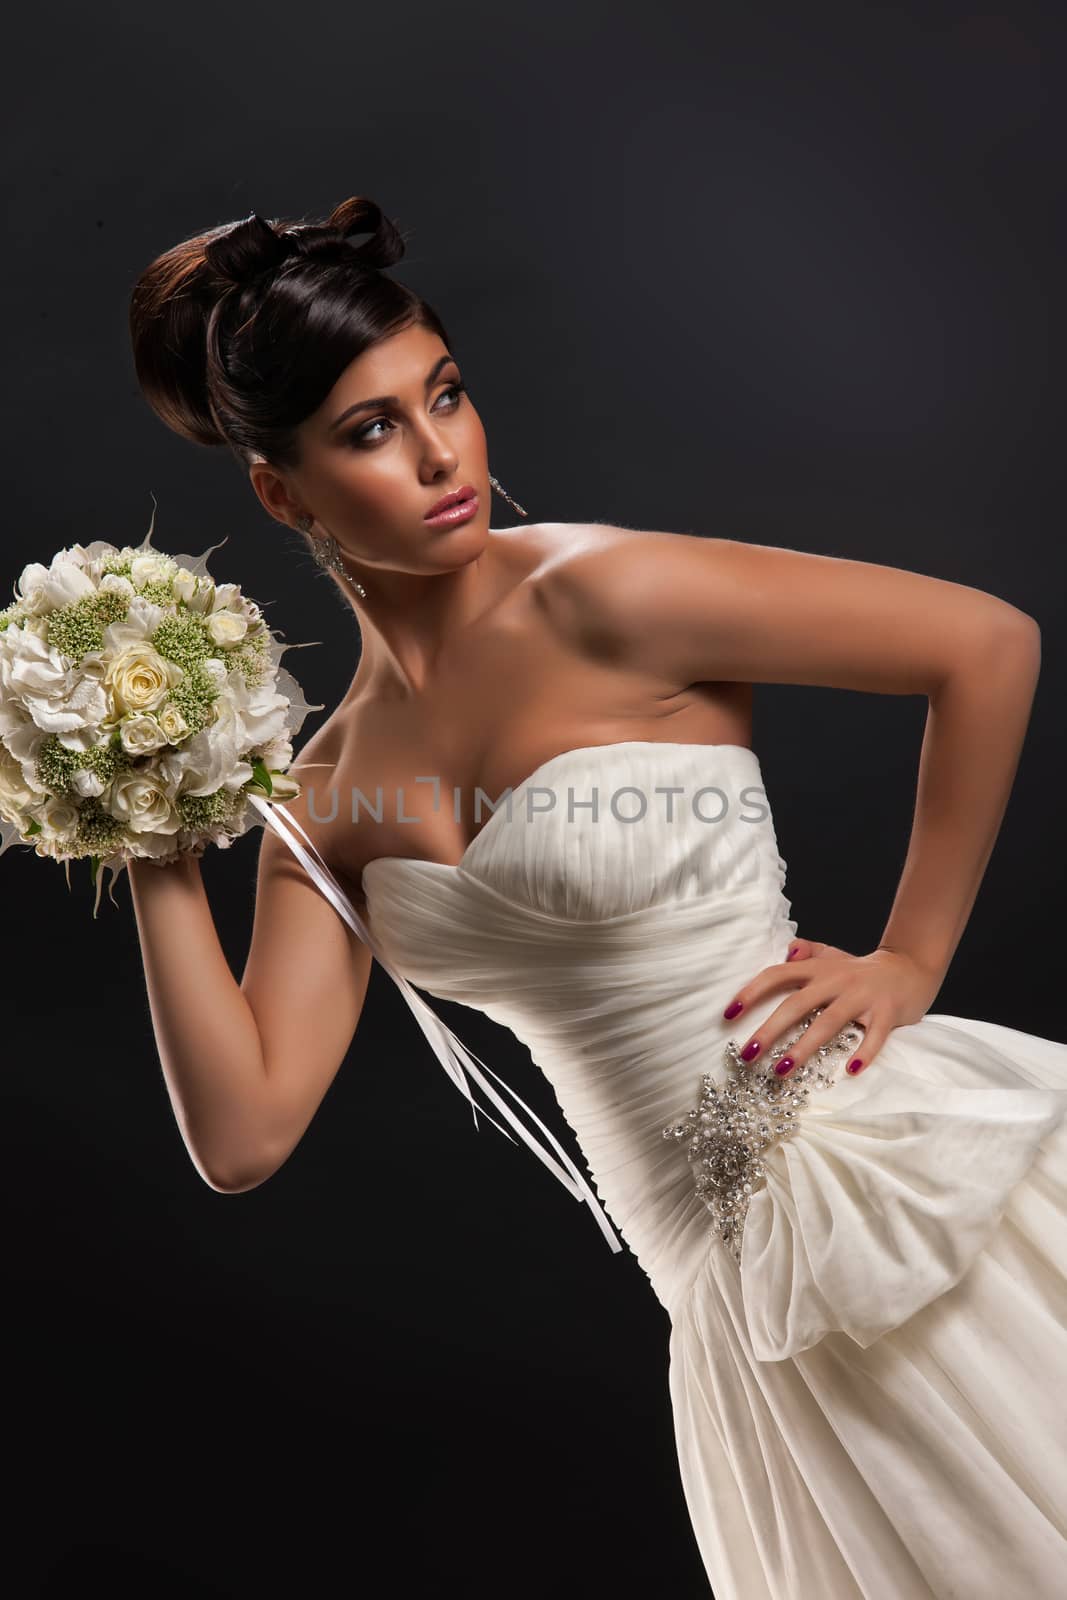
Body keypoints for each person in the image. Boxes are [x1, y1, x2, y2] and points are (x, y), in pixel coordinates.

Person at [125, 194, 1067, 1598]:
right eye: (373, 429)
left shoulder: (600, 595)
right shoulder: (322, 797)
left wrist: (909, 956)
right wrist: (146, 833)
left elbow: (985, 645)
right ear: (284, 489)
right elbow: (245, 1133)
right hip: (724, 1305)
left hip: (887, 1196)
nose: (444, 452)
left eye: (444, 394)